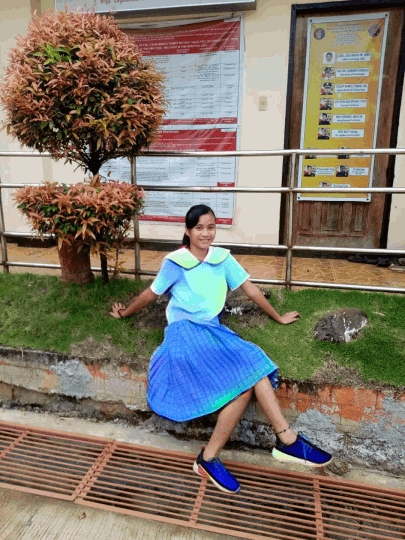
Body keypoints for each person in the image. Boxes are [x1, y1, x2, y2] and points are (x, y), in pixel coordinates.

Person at [109, 205, 332, 494]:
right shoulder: (176, 262)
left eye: (211, 227)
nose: (205, 233)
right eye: (199, 228)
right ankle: (273, 443)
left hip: (212, 330)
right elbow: (151, 294)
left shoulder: (222, 258)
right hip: (184, 332)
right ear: (188, 231)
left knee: (253, 362)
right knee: (245, 382)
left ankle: (277, 442)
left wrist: (277, 317)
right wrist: (125, 313)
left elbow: (250, 290)